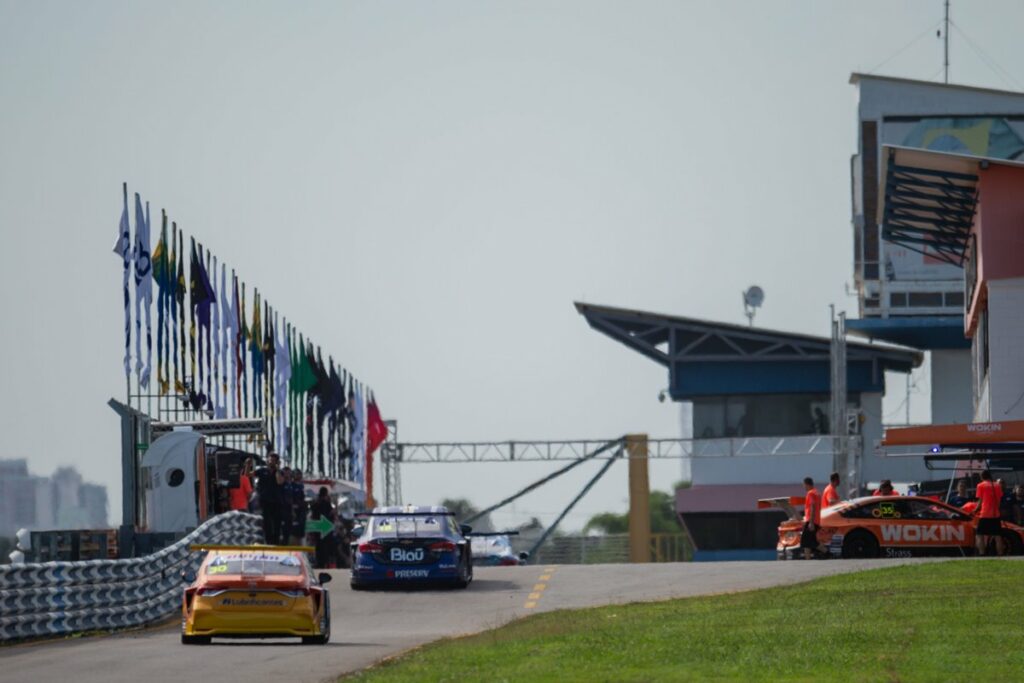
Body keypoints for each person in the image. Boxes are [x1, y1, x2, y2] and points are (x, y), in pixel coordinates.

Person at [255, 452, 285, 545]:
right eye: (270, 459)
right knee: (266, 523)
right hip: (265, 501)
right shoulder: (262, 470)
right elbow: (248, 474)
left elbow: (279, 482)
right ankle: (268, 542)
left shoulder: (279, 472)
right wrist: (247, 465)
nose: (271, 462)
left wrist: (277, 469)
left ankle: (276, 543)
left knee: (277, 523)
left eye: (274, 460)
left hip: (276, 502)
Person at [974, 470, 1004, 556]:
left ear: (982, 477)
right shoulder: (997, 485)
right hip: (996, 514)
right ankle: (1000, 554)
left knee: (980, 535)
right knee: (998, 536)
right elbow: (999, 498)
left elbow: (980, 501)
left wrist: (975, 510)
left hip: (985, 514)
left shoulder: (980, 485)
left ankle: (982, 554)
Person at [309, 487, 337, 568]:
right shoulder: (326, 503)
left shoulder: (315, 503)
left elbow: (312, 516)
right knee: (326, 546)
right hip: (326, 528)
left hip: (317, 527)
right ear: (326, 494)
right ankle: (325, 563)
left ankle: (319, 563)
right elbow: (331, 514)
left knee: (319, 546)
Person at [800, 477, 825, 560]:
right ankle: (808, 559)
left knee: (806, 541)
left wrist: (810, 522)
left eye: (804, 485)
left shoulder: (810, 493)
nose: (803, 487)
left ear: (806, 484)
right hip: (817, 521)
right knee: (811, 542)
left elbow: (812, 507)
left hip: (812, 521)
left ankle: (827, 553)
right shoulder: (817, 493)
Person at [287, 469, 309, 546]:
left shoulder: (302, 486)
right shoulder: (291, 485)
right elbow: (290, 498)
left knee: (301, 528)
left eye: (299, 474)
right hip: (294, 509)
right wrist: (292, 508)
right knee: (293, 528)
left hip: (302, 509)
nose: (298, 476)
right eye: (297, 474)